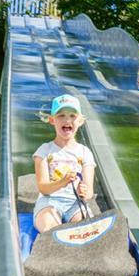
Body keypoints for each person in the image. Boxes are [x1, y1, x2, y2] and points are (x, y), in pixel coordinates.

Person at [33, 94, 96, 232]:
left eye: (72, 116)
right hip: (49, 202)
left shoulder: (85, 153)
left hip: (75, 203)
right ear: (52, 120)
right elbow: (43, 188)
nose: (67, 120)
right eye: (61, 115)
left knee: (86, 230)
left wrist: (85, 192)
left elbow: (89, 191)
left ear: (80, 121)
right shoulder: (44, 151)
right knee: (50, 228)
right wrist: (63, 181)